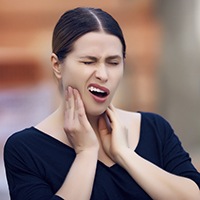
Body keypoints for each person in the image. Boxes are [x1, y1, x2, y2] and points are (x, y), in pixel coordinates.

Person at [3, 7, 200, 200]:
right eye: (89, 62)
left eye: (113, 63)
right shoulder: (24, 149)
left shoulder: (154, 128)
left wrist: (125, 155)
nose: (103, 75)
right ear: (57, 65)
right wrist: (86, 153)